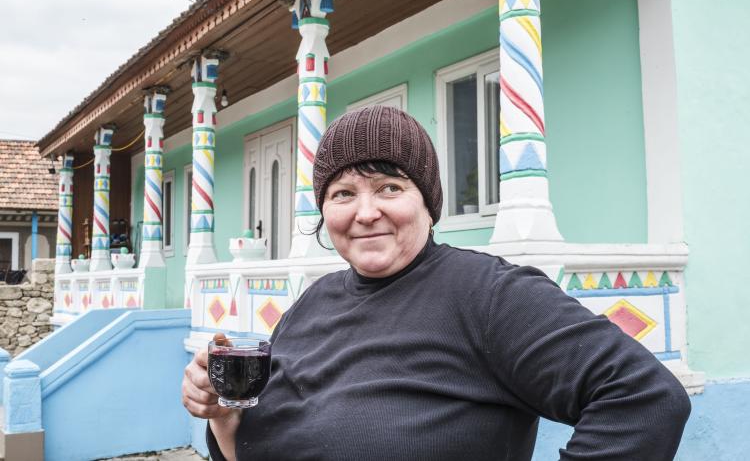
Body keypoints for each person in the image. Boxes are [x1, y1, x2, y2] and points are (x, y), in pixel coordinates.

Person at [182, 105, 691, 460]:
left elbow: (644, 398)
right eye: (343, 193)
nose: (365, 212)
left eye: (389, 187)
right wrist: (222, 416)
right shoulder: (311, 303)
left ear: (428, 203)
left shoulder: (488, 294)